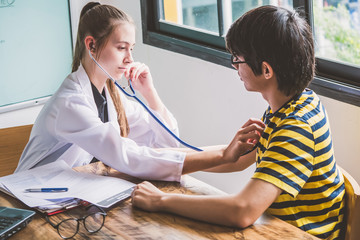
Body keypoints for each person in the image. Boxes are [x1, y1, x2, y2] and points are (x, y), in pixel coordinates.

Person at [131, 5, 345, 240]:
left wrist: (160, 200)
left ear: (266, 70)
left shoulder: (296, 128)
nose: (234, 65)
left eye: (238, 59)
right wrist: (155, 158)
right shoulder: (295, 104)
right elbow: (236, 158)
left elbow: (242, 210)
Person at [15, 2, 263, 182]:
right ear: (91, 45)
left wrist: (150, 92)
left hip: (66, 194)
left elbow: (167, 142)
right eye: (122, 48)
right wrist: (222, 155)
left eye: (131, 48)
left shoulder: (112, 95)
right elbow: (127, 157)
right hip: (30, 199)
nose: (130, 59)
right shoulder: (71, 103)